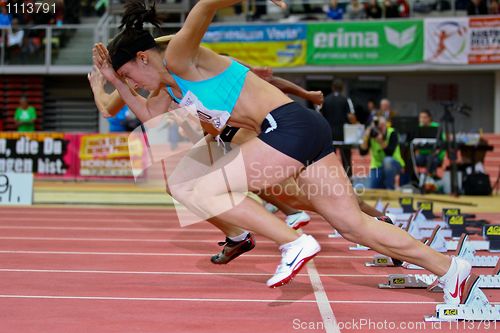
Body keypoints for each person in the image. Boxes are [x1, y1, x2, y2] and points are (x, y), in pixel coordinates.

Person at [93, 0, 470, 303]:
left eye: (128, 75)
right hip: (304, 129)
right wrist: (113, 82)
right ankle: (451, 269)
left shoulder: (178, 56)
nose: (131, 84)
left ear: (143, 57)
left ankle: (295, 242)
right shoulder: (168, 90)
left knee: (200, 188)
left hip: (285, 126)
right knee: (352, 224)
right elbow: (145, 116)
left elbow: (204, 7)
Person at [320, 78, 355, 177]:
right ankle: (349, 179)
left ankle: (331, 178)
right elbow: (350, 116)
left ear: (332, 87)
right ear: (342, 88)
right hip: (343, 134)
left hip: (330, 134)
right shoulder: (346, 100)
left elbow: (320, 115)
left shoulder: (326, 100)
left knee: (330, 158)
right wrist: (356, 124)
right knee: (346, 157)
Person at [360, 116, 404, 190]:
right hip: (377, 166)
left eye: (383, 125)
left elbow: (389, 153)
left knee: (387, 160)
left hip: (394, 164)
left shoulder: (392, 133)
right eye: (379, 126)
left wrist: (380, 141)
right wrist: (366, 136)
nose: (381, 128)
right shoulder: (372, 135)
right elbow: (362, 152)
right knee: (372, 189)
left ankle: (390, 189)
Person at [414, 110, 444, 175]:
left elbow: (442, 142)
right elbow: (415, 143)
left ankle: (431, 176)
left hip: (434, 154)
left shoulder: (437, 127)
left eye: (425, 117)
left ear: (429, 118)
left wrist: (437, 151)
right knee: (413, 159)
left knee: (431, 159)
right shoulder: (418, 127)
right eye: (421, 117)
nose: (423, 119)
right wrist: (416, 151)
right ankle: (416, 178)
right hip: (421, 154)